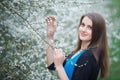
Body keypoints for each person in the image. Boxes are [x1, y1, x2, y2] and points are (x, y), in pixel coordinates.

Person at [45, 13, 109, 80]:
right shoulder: (78, 53)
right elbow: (52, 65)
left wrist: (59, 66)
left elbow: (58, 66)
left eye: (90, 28)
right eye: (83, 25)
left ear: (97, 32)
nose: (84, 30)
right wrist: (50, 36)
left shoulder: (89, 56)